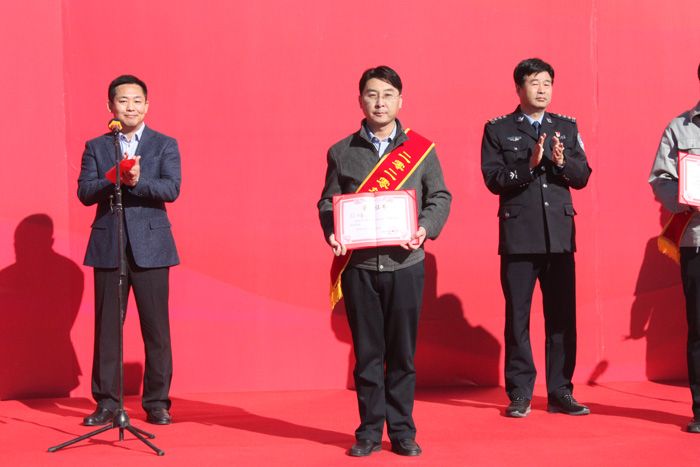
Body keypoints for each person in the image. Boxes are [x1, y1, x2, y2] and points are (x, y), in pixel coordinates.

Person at [318, 66, 451, 456]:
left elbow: (440, 197)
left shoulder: (421, 150)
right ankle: (369, 433)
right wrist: (332, 230)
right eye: (373, 95)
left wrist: (424, 228)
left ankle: (403, 432)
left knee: (402, 355)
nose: (380, 102)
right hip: (359, 268)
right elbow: (327, 202)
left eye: (388, 94)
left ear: (400, 100)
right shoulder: (341, 151)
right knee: (368, 355)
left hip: (405, 264)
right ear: (361, 100)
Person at [481, 58, 592, 418]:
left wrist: (560, 162)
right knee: (518, 318)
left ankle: (560, 391)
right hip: (519, 237)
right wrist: (528, 165)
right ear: (519, 88)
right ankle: (520, 393)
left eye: (547, 83)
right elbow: (493, 179)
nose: (542, 89)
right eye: (534, 82)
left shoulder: (566, 127)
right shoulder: (498, 129)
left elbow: (582, 175)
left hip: (559, 237)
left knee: (562, 317)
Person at [77, 75, 181, 426]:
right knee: (107, 329)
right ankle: (106, 402)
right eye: (123, 101)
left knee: (156, 329)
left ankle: (157, 402)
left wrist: (137, 182)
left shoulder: (164, 144)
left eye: (137, 100)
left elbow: (171, 188)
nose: (130, 107)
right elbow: (84, 191)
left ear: (147, 106)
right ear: (111, 106)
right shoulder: (96, 146)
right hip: (109, 245)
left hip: (152, 245)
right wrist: (114, 178)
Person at [649, 62, 700, 433]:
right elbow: (661, 179)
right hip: (697, 240)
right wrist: (688, 199)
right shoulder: (679, 127)